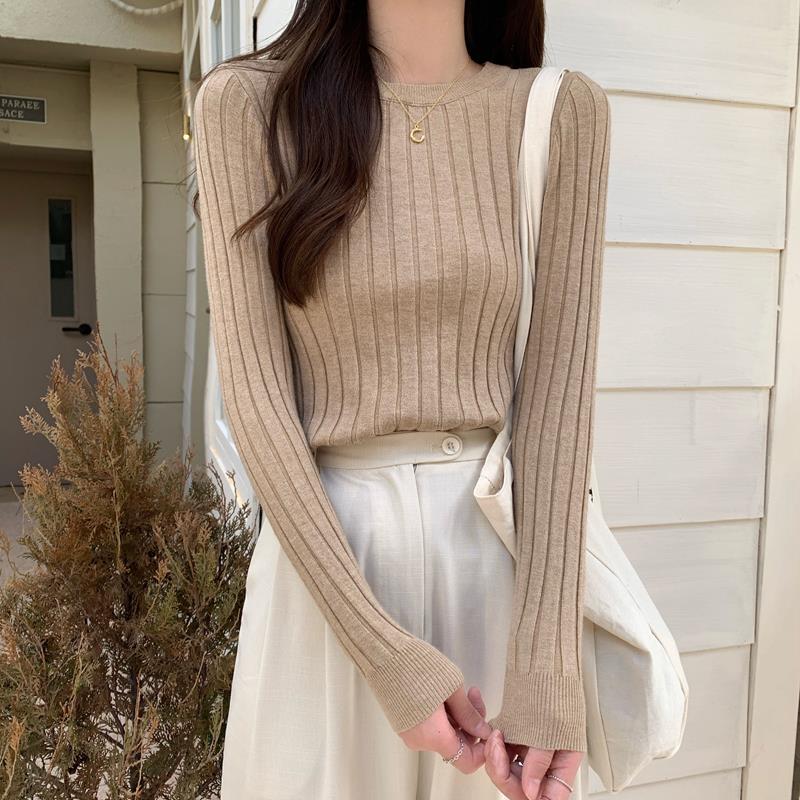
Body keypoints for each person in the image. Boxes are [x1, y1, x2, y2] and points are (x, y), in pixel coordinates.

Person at [191, 1, 610, 798]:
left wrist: (549, 667)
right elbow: (257, 399)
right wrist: (384, 654)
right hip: (328, 580)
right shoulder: (246, 106)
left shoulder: (560, 112)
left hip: (494, 574)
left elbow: (559, 403)